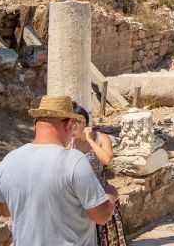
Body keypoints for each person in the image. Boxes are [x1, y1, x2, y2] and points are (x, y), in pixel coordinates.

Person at [0, 95, 117, 246]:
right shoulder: (74, 160)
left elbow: (6, 211)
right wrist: (111, 195)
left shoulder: (8, 161)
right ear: (68, 125)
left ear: (36, 126)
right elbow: (101, 216)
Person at [71, 104, 128, 246]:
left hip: (100, 191)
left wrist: (90, 140)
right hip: (79, 193)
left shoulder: (102, 138)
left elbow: (107, 159)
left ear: (82, 123)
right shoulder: (71, 141)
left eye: (72, 124)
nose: (68, 128)